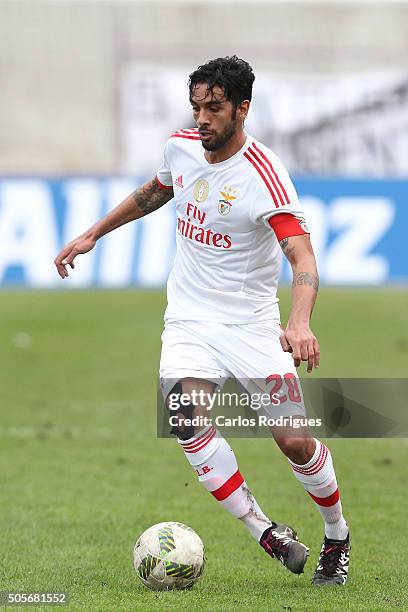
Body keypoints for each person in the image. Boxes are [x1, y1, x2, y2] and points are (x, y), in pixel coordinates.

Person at [54, 56, 350, 586]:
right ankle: (265, 530)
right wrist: (93, 233)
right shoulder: (182, 145)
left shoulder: (265, 176)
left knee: (294, 442)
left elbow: (302, 259)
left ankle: (336, 534)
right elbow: (155, 191)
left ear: (242, 108)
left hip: (253, 327)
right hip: (188, 320)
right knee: (188, 419)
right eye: (196, 106)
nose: (202, 118)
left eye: (214, 108)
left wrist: (299, 323)